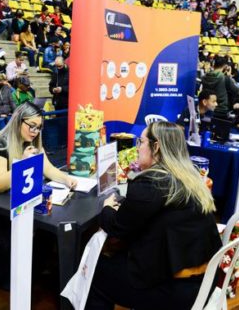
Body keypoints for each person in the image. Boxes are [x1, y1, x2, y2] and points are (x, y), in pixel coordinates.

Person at [85, 121, 222, 309]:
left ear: (155, 147)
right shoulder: (191, 177)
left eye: (140, 142)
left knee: (98, 273)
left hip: (176, 290)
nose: (138, 148)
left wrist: (107, 208)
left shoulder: (151, 184)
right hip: (203, 280)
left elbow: (117, 227)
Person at [0, 102, 78, 290]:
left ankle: (34, 272)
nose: (35, 131)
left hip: (21, 200)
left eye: (39, 127)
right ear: (18, 121)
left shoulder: (32, 143)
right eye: (31, 126)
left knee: (48, 227)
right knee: (15, 232)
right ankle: (9, 281)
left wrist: (66, 179)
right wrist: (23, 163)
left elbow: (47, 167)